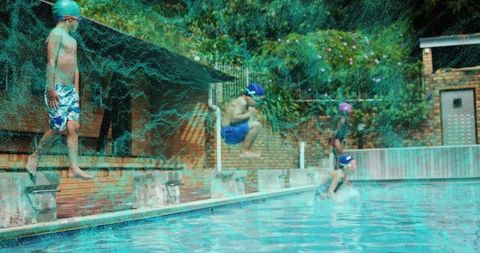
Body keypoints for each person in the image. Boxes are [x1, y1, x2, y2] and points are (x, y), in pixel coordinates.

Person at [26, 0, 92, 180]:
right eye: (78, 20)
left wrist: (76, 92)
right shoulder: (55, 34)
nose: (78, 24)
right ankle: (35, 155)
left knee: (74, 127)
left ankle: (74, 167)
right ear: (69, 19)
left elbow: (76, 68)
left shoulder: (72, 41)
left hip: (71, 91)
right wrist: (50, 88)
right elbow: (50, 62)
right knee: (57, 127)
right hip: (57, 89)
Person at [221, 82, 265, 158]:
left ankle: (246, 150)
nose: (258, 103)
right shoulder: (242, 102)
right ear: (249, 97)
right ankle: (244, 151)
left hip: (229, 132)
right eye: (257, 100)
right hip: (228, 132)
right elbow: (233, 119)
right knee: (256, 125)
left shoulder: (245, 103)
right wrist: (249, 114)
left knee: (255, 124)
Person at [329, 102, 352, 170]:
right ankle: (339, 176)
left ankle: (340, 176)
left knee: (339, 159)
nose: (350, 113)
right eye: (348, 111)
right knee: (340, 158)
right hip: (336, 139)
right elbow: (336, 131)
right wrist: (330, 143)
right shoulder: (342, 119)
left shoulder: (345, 119)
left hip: (339, 139)